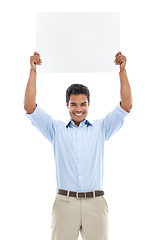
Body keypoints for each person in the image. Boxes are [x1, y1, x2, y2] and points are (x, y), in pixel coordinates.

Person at [24, 51, 132, 240]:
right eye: (74, 104)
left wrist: (122, 71)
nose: (79, 109)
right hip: (65, 203)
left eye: (83, 104)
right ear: (67, 105)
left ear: (89, 104)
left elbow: (126, 106)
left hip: (95, 203)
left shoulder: (101, 128)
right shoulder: (55, 129)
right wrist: (33, 71)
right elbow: (30, 107)